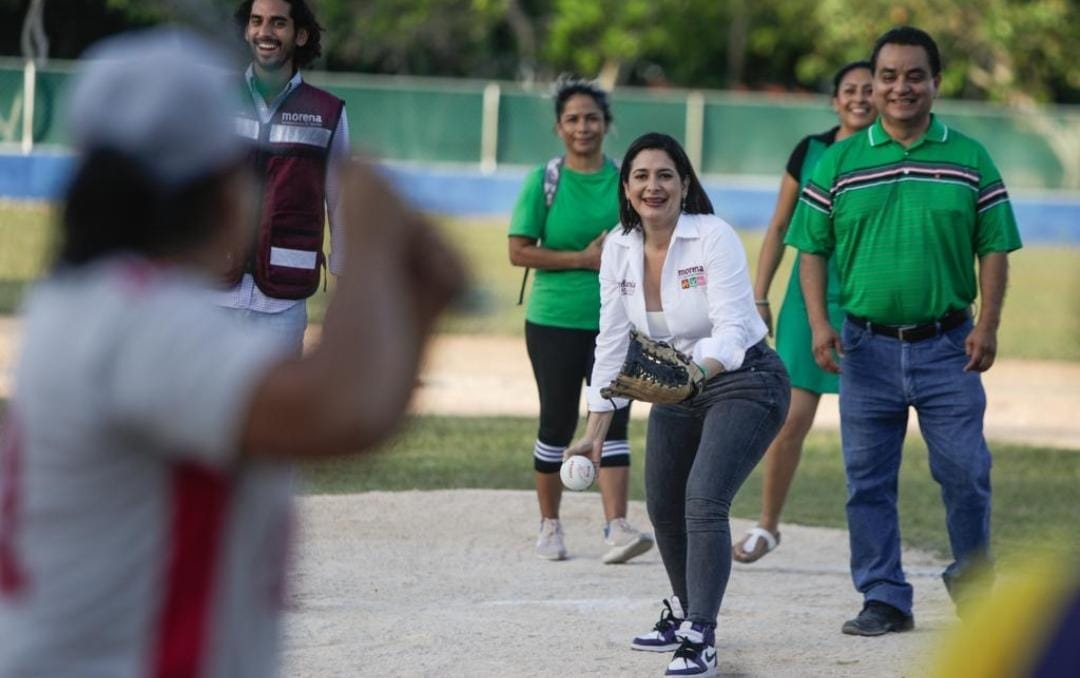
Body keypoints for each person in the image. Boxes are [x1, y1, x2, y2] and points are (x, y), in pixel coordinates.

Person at [0, 28, 463, 677]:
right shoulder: (136, 317)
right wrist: (374, 228)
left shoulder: (97, 303)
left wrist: (421, 304)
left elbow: (361, 415)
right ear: (222, 194)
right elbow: (339, 410)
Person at [785, 26, 1023, 636]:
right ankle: (884, 595)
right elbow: (810, 249)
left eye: (914, 75)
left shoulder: (970, 158)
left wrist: (988, 325)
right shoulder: (838, 161)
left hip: (949, 346)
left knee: (966, 472)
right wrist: (819, 324)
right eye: (888, 76)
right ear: (873, 83)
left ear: (936, 83)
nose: (900, 87)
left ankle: (975, 586)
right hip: (865, 347)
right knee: (867, 482)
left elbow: (995, 247)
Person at [567, 133, 790, 676]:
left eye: (665, 175)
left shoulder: (711, 235)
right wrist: (594, 429)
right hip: (678, 386)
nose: (653, 186)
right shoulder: (618, 247)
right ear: (626, 187)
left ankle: (701, 637)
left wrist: (698, 373)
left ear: (684, 184)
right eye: (641, 176)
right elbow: (612, 343)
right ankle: (686, 612)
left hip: (745, 380)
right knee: (663, 504)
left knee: (703, 500)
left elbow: (734, 326)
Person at [733, 61, 876, 564]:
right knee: (790, 420)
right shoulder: (810, 150)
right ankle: (768, 526)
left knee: (869, 428)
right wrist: (759, 294)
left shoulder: (892, 154)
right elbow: (777, 226)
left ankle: (873, 539)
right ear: (835, 100)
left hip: (870, 300)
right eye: (849, 90)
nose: (859, 98)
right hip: (807, 296)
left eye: (868, 89)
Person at [508, 77, 653, 564]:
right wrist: (582, 260)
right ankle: (551, 526)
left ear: (606, 124)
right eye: (572, 118)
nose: (583, 127)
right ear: (558, 127)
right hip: (554, 320)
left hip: (617, 322)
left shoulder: (624, 181)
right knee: (557, 420)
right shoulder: (544, 181)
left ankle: (616, 527)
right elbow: (518, 251)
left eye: (592, 117)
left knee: (614, 421)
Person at [215, 0, 351, 355]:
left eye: (278, 23)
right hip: (210, 292)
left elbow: (341, 201)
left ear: (300, 35)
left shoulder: (327, 113)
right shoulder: (215, 98)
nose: (265, 32)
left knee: (276, 409)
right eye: (257, 21)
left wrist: (346, 279)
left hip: (283, 303)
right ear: (246, 31)